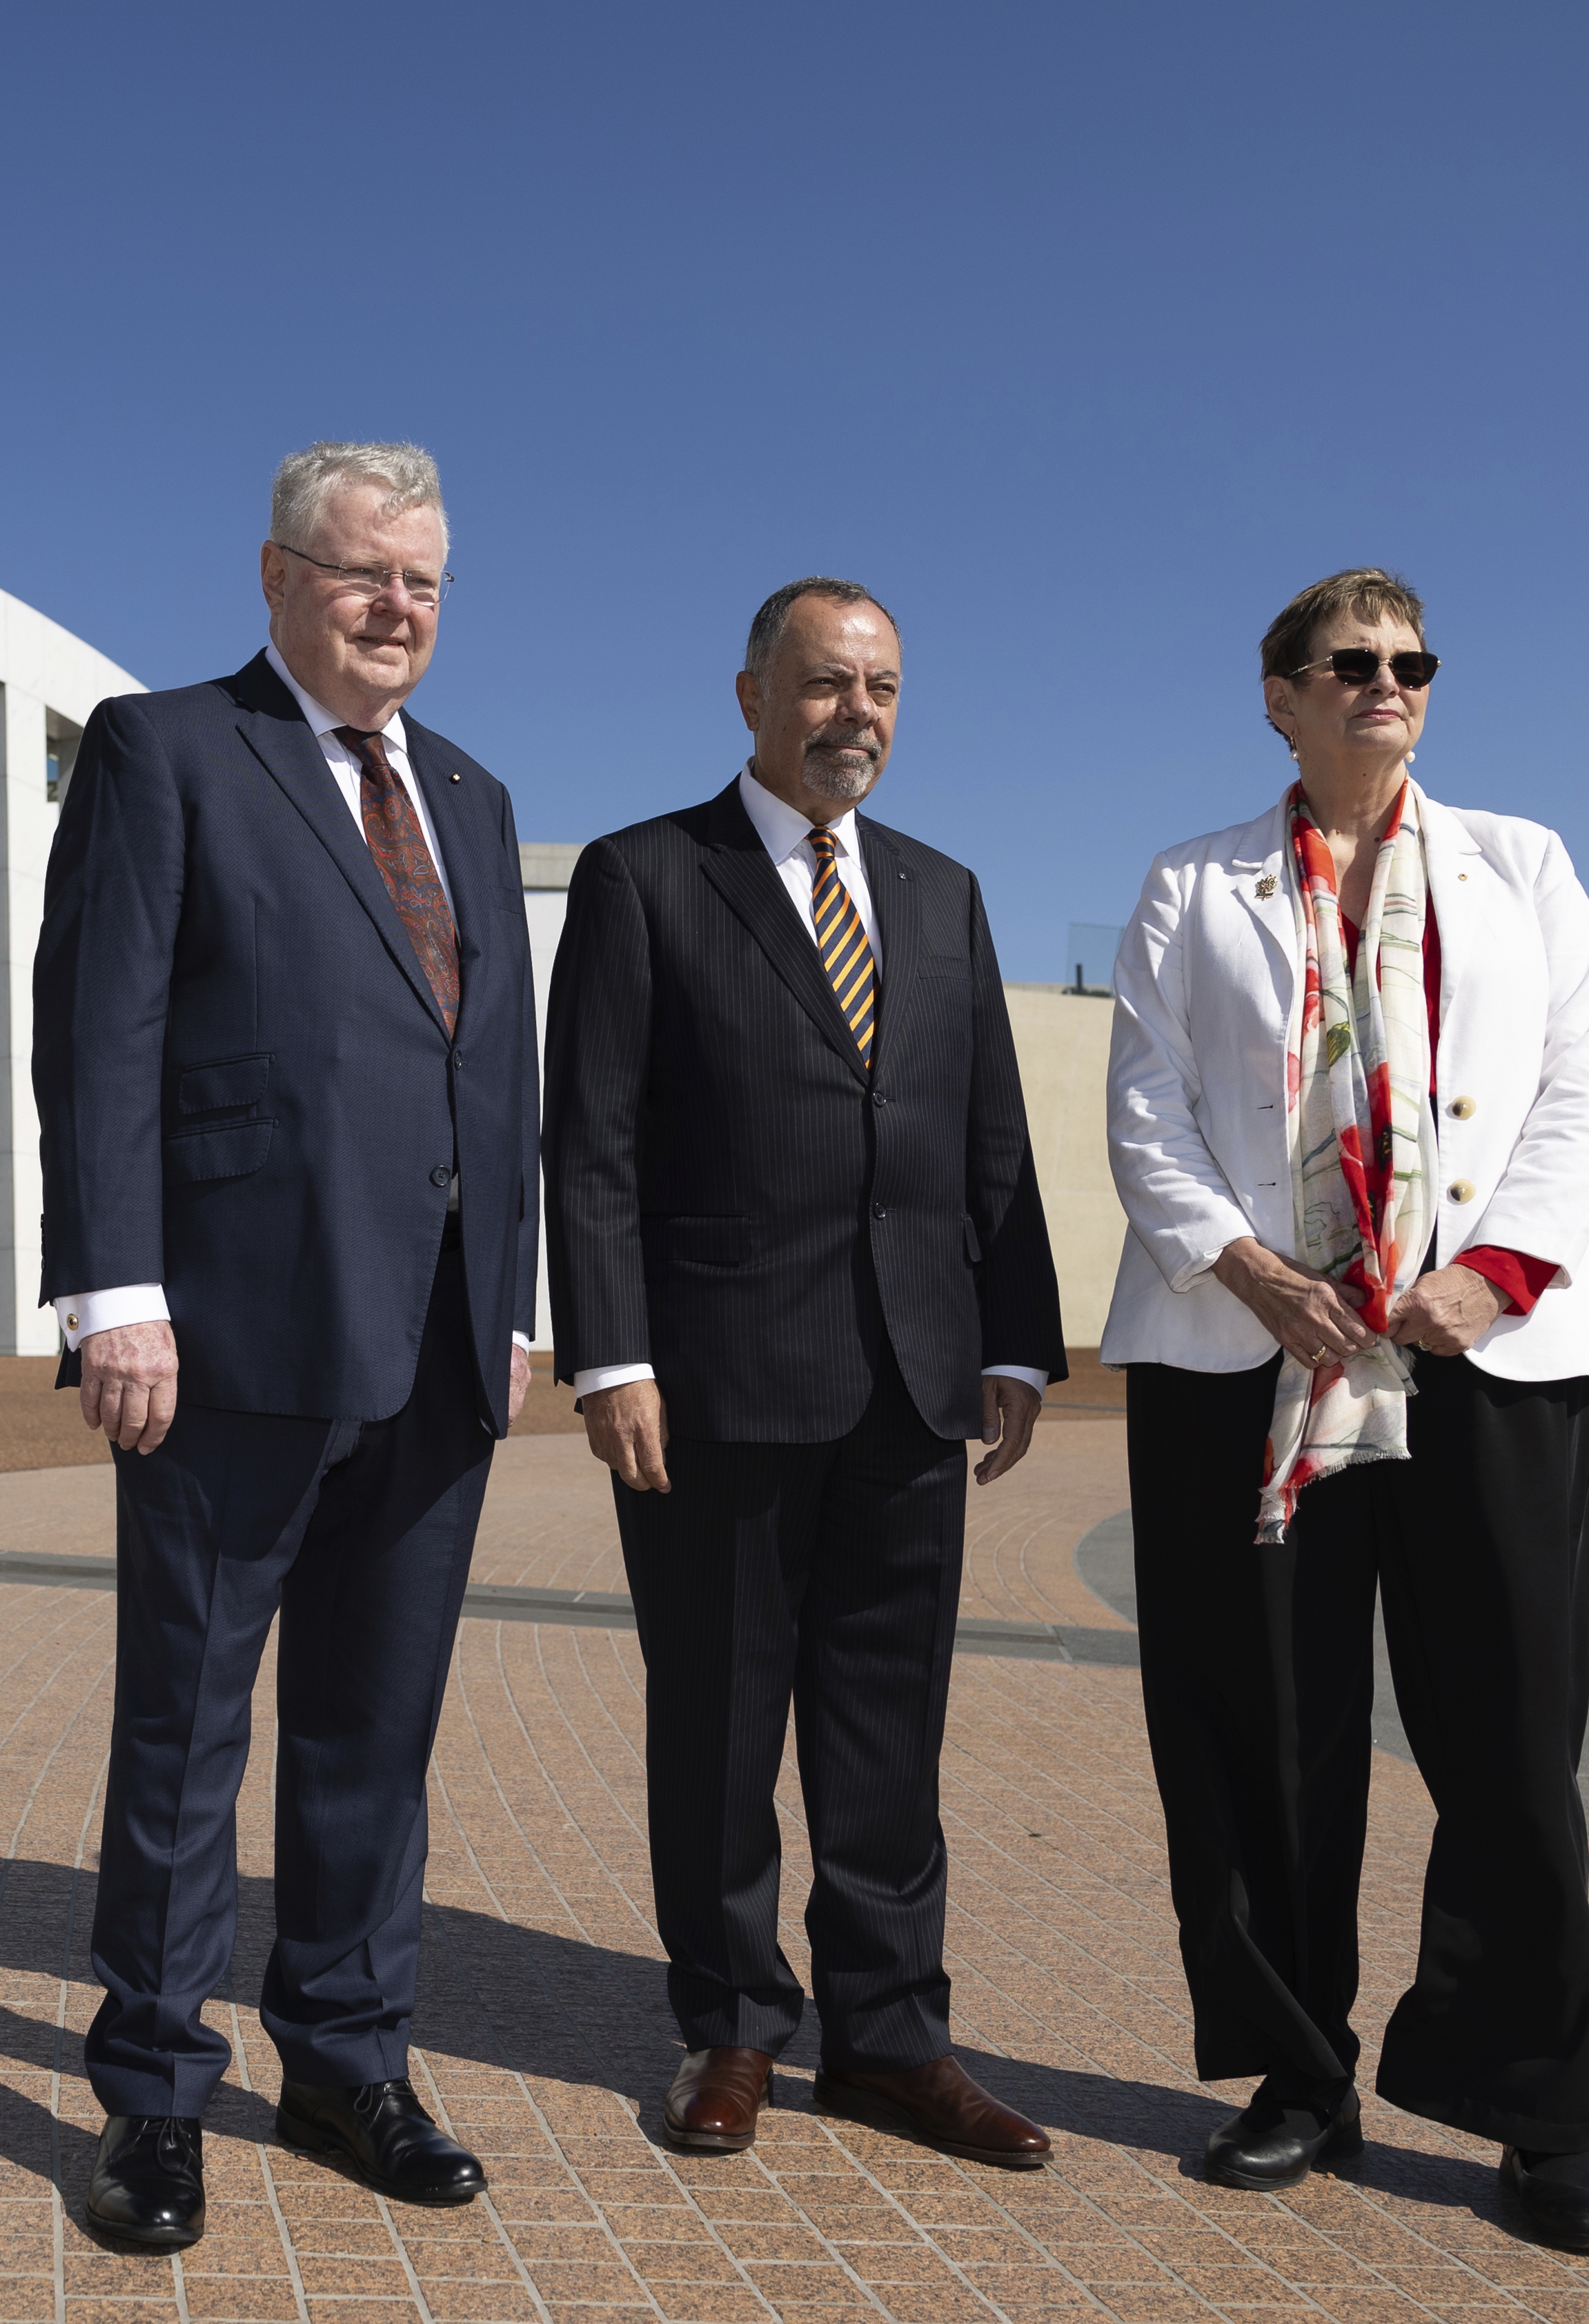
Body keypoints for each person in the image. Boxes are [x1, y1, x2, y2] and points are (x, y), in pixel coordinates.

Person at [34, 441, 540, 2249]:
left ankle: (342, 2059)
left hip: (436, 1332)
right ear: (274, 578)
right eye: (360, 574)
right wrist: (115, 1289)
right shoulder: (165, 749)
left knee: (372, 1731)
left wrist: (511, 1296)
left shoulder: (470, 792)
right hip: (227, 1331)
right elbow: (97, 1027)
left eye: (423, 581)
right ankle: (153, 2090)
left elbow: (494, 1060)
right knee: (186, 1730)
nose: (396, 607)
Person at [1101, 568, 1589, 2255]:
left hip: (1483, 1354)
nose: (1384, 682)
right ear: (1281, 696)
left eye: (1410, 660)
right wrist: (1255, 1273)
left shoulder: (1523, 864)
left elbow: (1582, 1082)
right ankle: (1296, 2072)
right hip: (1252, 1357)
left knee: (1513, 1744)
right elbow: (1146, 1109)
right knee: (1259, 1729)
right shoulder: (1192, 886)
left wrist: (1494, 1275)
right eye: (1348, 661)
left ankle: (1538, 2109)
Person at [542, 578, 1067, 2169]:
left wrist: (1015, 1335)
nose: (859, 714)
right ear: (752, 695)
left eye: (883, 687)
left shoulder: (941, 891)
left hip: (911, 1379)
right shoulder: (644, 874)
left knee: (888, 1733)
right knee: (716, 1723)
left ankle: (892, 2037)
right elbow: (594, 1140)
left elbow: (987, 1131)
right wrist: (611, 1354)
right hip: (714, 1386)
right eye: (830, 682)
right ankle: (731, 2025)